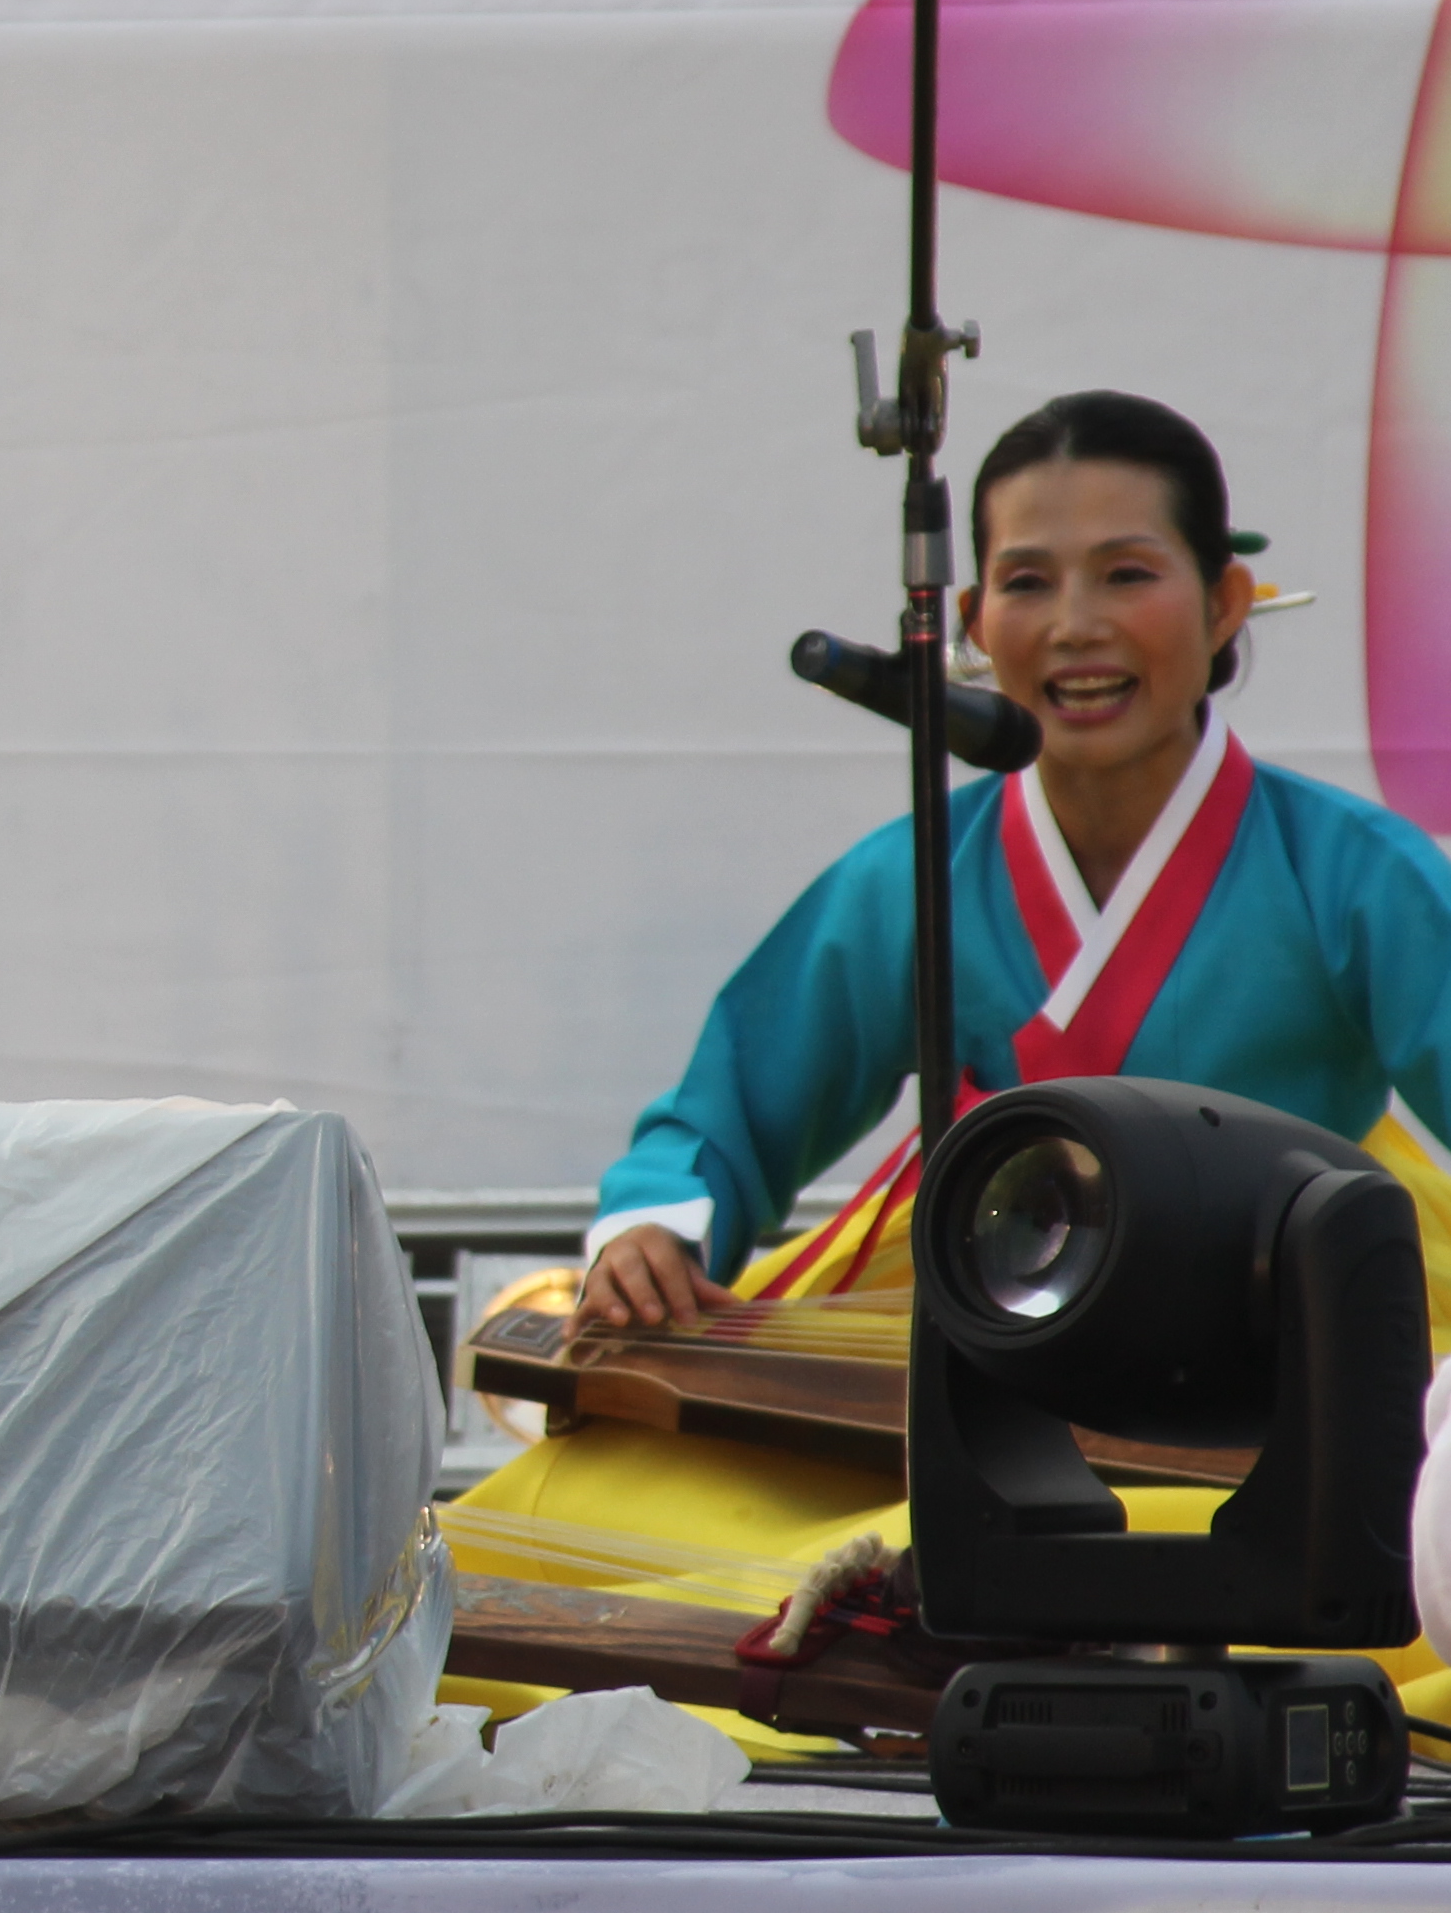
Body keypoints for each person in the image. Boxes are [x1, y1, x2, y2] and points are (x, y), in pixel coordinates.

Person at [476, 389, 1451, 1576]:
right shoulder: (920, 877)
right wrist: (657, 1230)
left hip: (1280, 1343)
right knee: (574, 1535)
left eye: (1127, 574)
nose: (1076, 626)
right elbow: (730, 1108)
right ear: (976, 624)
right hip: (993, 1342)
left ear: (1223, 603)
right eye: (1028, 582)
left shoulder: (1352, 872)